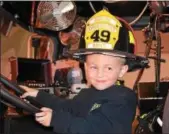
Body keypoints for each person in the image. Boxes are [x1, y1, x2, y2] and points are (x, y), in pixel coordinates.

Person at [20, 9, 149, 134]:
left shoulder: (123, 99)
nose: (100, 74)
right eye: (94, 67)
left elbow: (95, 129)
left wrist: (56, 119)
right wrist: (38, 95)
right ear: (85, 67)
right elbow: (66, 107)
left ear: (122, 70)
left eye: (108, 68)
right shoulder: (87, 94)